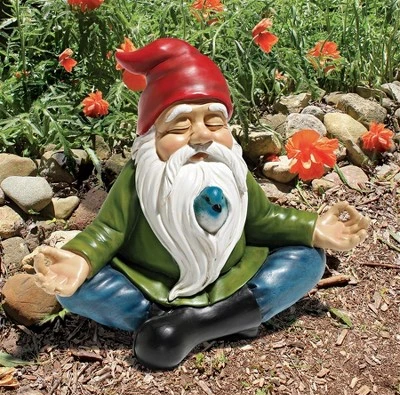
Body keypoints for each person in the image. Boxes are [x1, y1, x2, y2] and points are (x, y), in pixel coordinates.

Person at [33, 38, 370, 370]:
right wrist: (80, 259)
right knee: (75, 291)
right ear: (151, 136)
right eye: (180, 125)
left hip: (232, 278)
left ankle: (182, 328)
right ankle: (230, 317)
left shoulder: (229, 169)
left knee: (308, 259)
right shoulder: (141, 177)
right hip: (154, 287)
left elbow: (264, 219)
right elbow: (108, 231)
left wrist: (314, 227)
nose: (201, 136)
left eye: (214, 123)